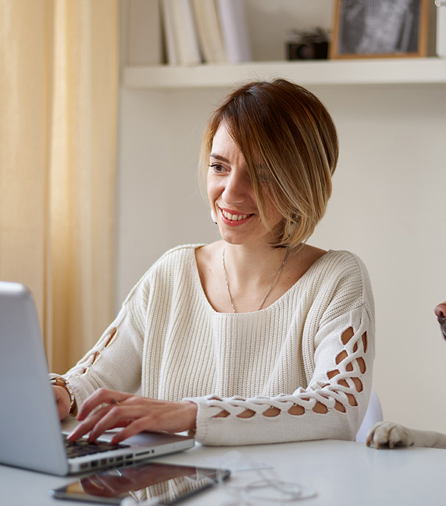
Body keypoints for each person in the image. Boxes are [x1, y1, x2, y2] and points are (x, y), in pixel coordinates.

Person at [51, 79, 375, 446]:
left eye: (261, 174)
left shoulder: (337, 280)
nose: (230, 192)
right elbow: (91, 381)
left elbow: (338, 409)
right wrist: (60, 392)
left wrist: (193, 415)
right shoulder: (171, 274)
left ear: (302, 183)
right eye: (220, 167)